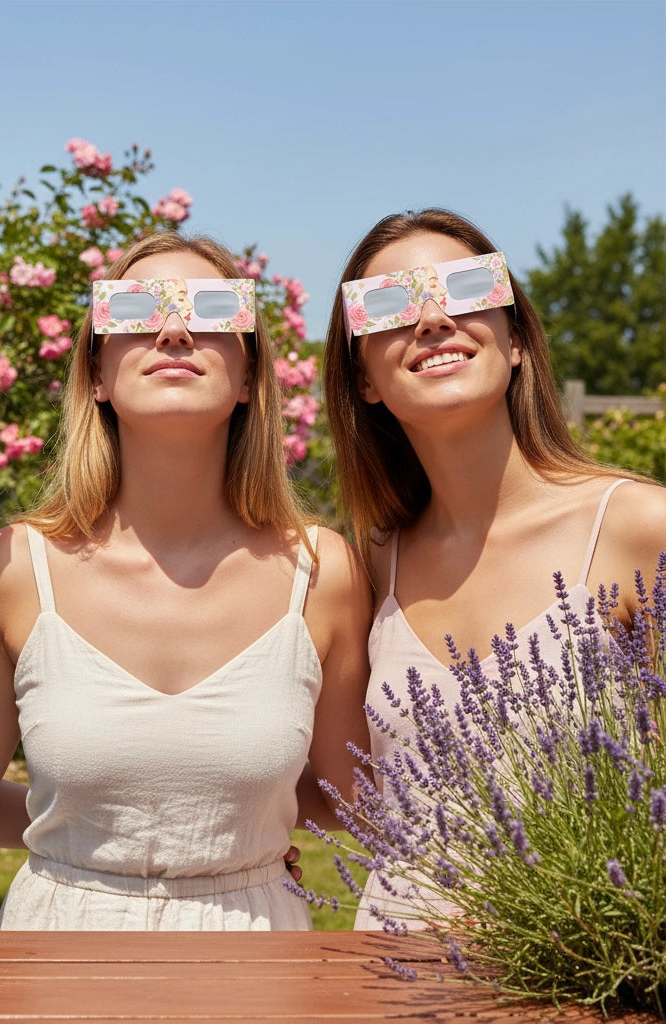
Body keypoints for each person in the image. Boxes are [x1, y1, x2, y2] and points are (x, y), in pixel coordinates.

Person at [0, 231, 372, 930]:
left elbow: (352, 799)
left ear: (250, 378)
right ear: (97, 375)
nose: (172, 330)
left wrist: (242, 844)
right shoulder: (14, 568)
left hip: (258, 961)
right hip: (57, 955)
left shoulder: (323, 574)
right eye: (136, 312)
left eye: (209, 313)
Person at [321, 207, 666, 929]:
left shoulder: (640, 529)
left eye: (464, 290)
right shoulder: (373, 560)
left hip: (582, 983)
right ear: (364, 381)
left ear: (514, 341)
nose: (430, 318)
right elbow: (339, 790)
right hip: (394, 977)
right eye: (388, 304)